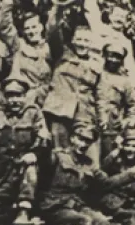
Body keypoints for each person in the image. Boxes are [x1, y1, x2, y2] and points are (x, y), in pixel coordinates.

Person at [0, 76, 50, 225]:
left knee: (30, 169)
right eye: (10, 96)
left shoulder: (33, 113)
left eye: (18, 95)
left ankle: (24, 211)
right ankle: (8, 213)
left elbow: (45, 138)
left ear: (24, 96)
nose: (14, 100)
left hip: (26, 170)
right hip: (3, 173)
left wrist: (35, 153)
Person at [42, 23, 102, 167]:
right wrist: (59, 7)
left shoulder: (97, 63)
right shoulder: (62, 53)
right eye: (79, 39)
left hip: (85, 114)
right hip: (59, 111)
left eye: (86, 41)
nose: (82, 44)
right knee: (60, 155)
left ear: (92, 43)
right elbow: (52, 30)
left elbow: (101, 93)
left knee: (90, 157)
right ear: (73, 40)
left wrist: (101, 116)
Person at [0, 1, 52, 107]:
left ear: (41, 27)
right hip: (21, 101)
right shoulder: (19, 45)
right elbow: (5, 25)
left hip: (45, 102)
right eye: (27, 28)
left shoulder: (50, 48)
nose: (31, 31)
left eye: (34, 27)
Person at [96, 42, 135, 160]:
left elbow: (133, 105)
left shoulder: (125, 81)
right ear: (105, 55)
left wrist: (128, 120)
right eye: (111, 55)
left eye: (118, 57)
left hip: (112, 127)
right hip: (90, 121)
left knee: (109, 160)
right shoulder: (96, 73)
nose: (113, 60)